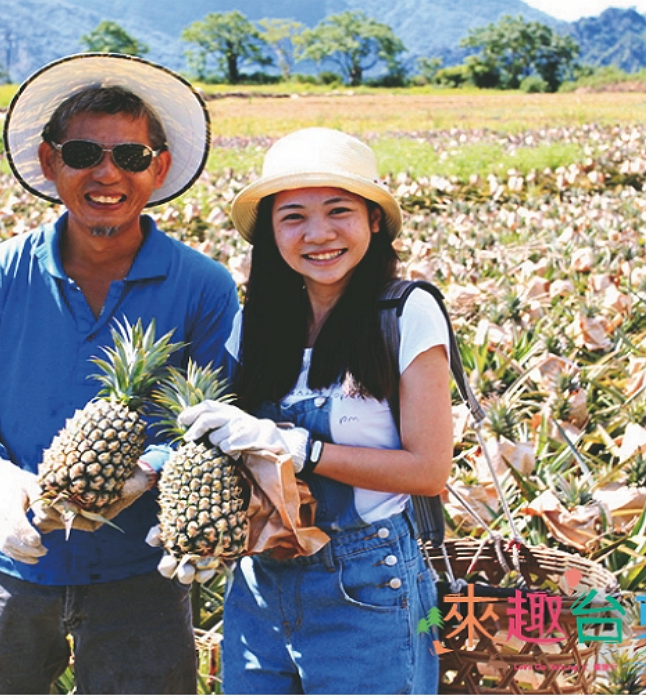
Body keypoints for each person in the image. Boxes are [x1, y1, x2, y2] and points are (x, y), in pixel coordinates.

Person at [0, 54, 239, 694]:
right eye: (82, 152)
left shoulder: (204, 287)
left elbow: (214, 419)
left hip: (141, 571)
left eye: (129, 156)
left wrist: (147, 466)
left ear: (159, 167)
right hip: (5, 563)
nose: (106, 173)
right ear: (49, 163)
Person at [179, 127, 453, 694]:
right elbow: (217, 432)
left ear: (374, 220)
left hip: (368, 584)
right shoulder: (254, 323)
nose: (318, 234)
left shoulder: (406, 312)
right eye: (294, 217)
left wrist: (302, 449)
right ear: (271, 233)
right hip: (260, 579)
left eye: (338, 211)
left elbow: (428, 470)